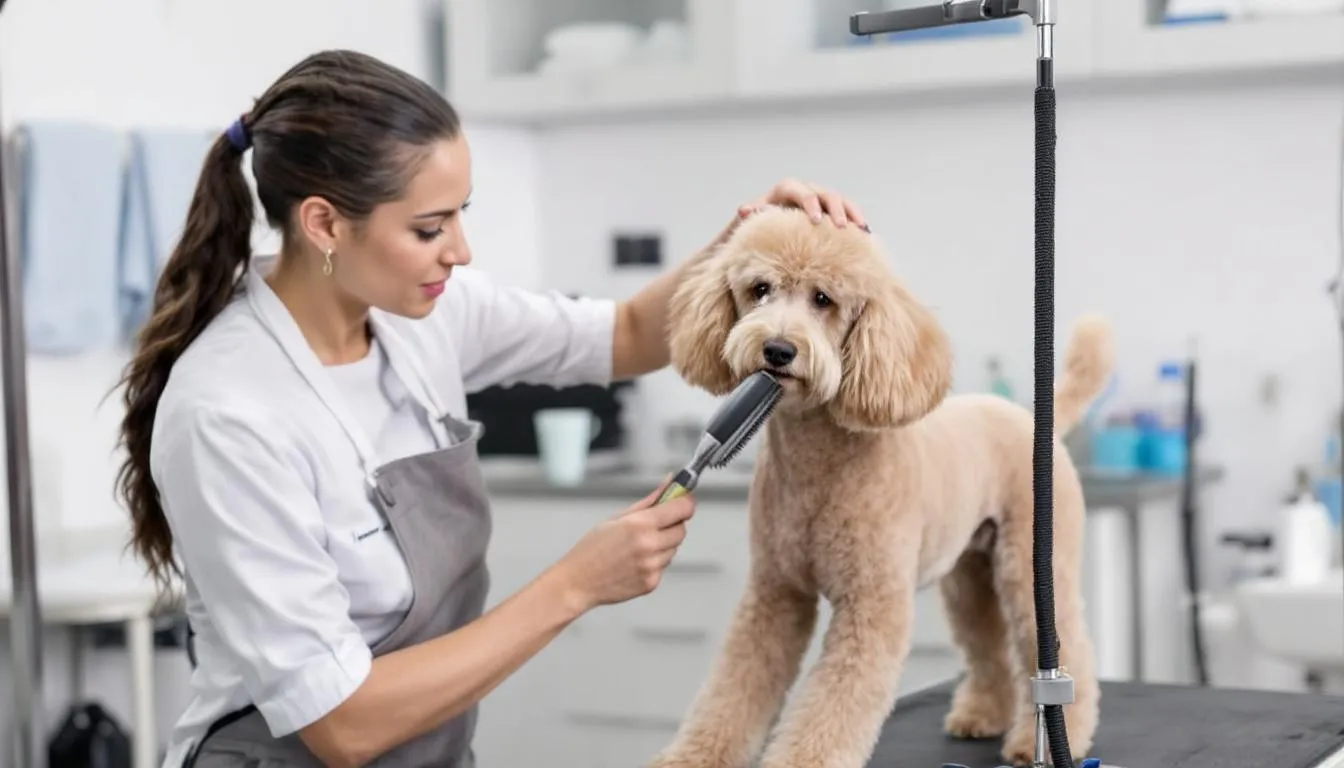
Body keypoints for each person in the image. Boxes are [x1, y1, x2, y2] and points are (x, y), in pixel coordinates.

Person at [114, 49, 868, 768]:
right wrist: (575, 583)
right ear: (323, 225)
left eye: (459, 215)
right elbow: (342, 724)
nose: (461, 251)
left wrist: (746, 237)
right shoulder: (230, 412)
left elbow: (632, 335)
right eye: (429, 228)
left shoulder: (425, 313)